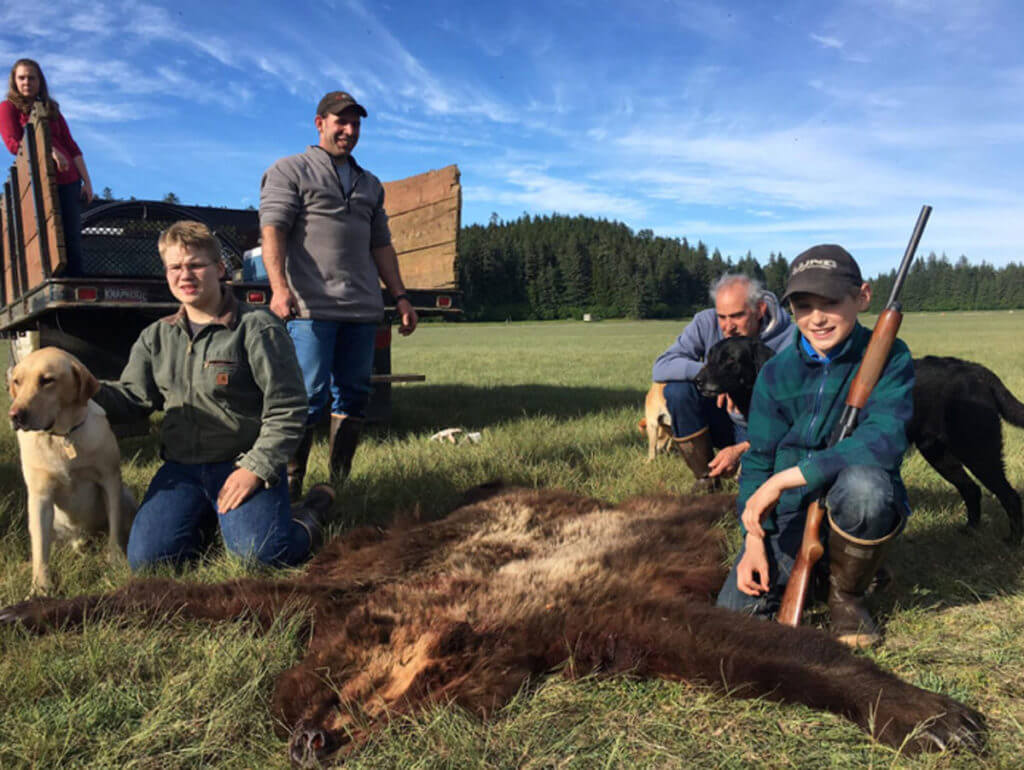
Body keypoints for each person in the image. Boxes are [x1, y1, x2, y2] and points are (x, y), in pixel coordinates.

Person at [93, 221, 328, 571]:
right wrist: (85, 389)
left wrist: (256, 468)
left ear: (220, 269)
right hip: (182, 470)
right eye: (175, 267)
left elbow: (288, 407)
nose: (184, 275)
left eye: (195, 264)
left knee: (261, 558)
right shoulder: (156, 337)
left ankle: (307, 516)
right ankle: (209, 517)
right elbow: (132, 400)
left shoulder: (257, 327)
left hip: (242, 462)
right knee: (148, 562)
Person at [715, 245, 915, 648]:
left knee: (866, 490)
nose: (817, 318)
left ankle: (847, 595)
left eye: (831, 303)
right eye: (803, 306)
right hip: (791, 511)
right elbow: (758, 461)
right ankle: (823, 568)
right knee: (734, 619)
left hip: (849, 495)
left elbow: (884, 440)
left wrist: (789, 477)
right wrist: (752, 538)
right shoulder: (775, 372)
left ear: (863, 297)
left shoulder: (890, 356)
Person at [259, 90, 418, 499]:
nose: (349, 130)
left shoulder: (370, 184)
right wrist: (279, 289)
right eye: (340, 122)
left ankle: (338, 483)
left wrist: (399, 296)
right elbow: (273, 229)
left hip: (363, 309)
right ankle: (290, 490)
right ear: (320, 123)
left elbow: (381, 244)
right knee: (307, 398)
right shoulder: (290, 170)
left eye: (356, 123)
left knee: (353, 395)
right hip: (311, 307)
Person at [652, 274, 792, 487]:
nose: (727, 326)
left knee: (753, 487)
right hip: (722, 418)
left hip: (768, 427)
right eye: (722, 317)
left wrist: (742, 448)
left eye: (737, 316)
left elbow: (792, 415)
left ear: (760, 309)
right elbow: (662, 367)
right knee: (678, 391)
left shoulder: (790, 339)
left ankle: (750, 466)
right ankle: (705, 479)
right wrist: (718, 377)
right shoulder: (705, 322)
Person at [0, 58, 94, 275]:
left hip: (69, 180)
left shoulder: (52, 109)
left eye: (31, 78)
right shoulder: (8, 108)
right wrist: (51, 152)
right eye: (21, 78)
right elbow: (15, 144)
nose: (27, 82)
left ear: (40, 81)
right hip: (37, 181)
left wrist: (87, 182)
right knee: (47, 239)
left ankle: (76, 292)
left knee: (72, 240)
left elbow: (72, 146)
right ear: (14, 81)